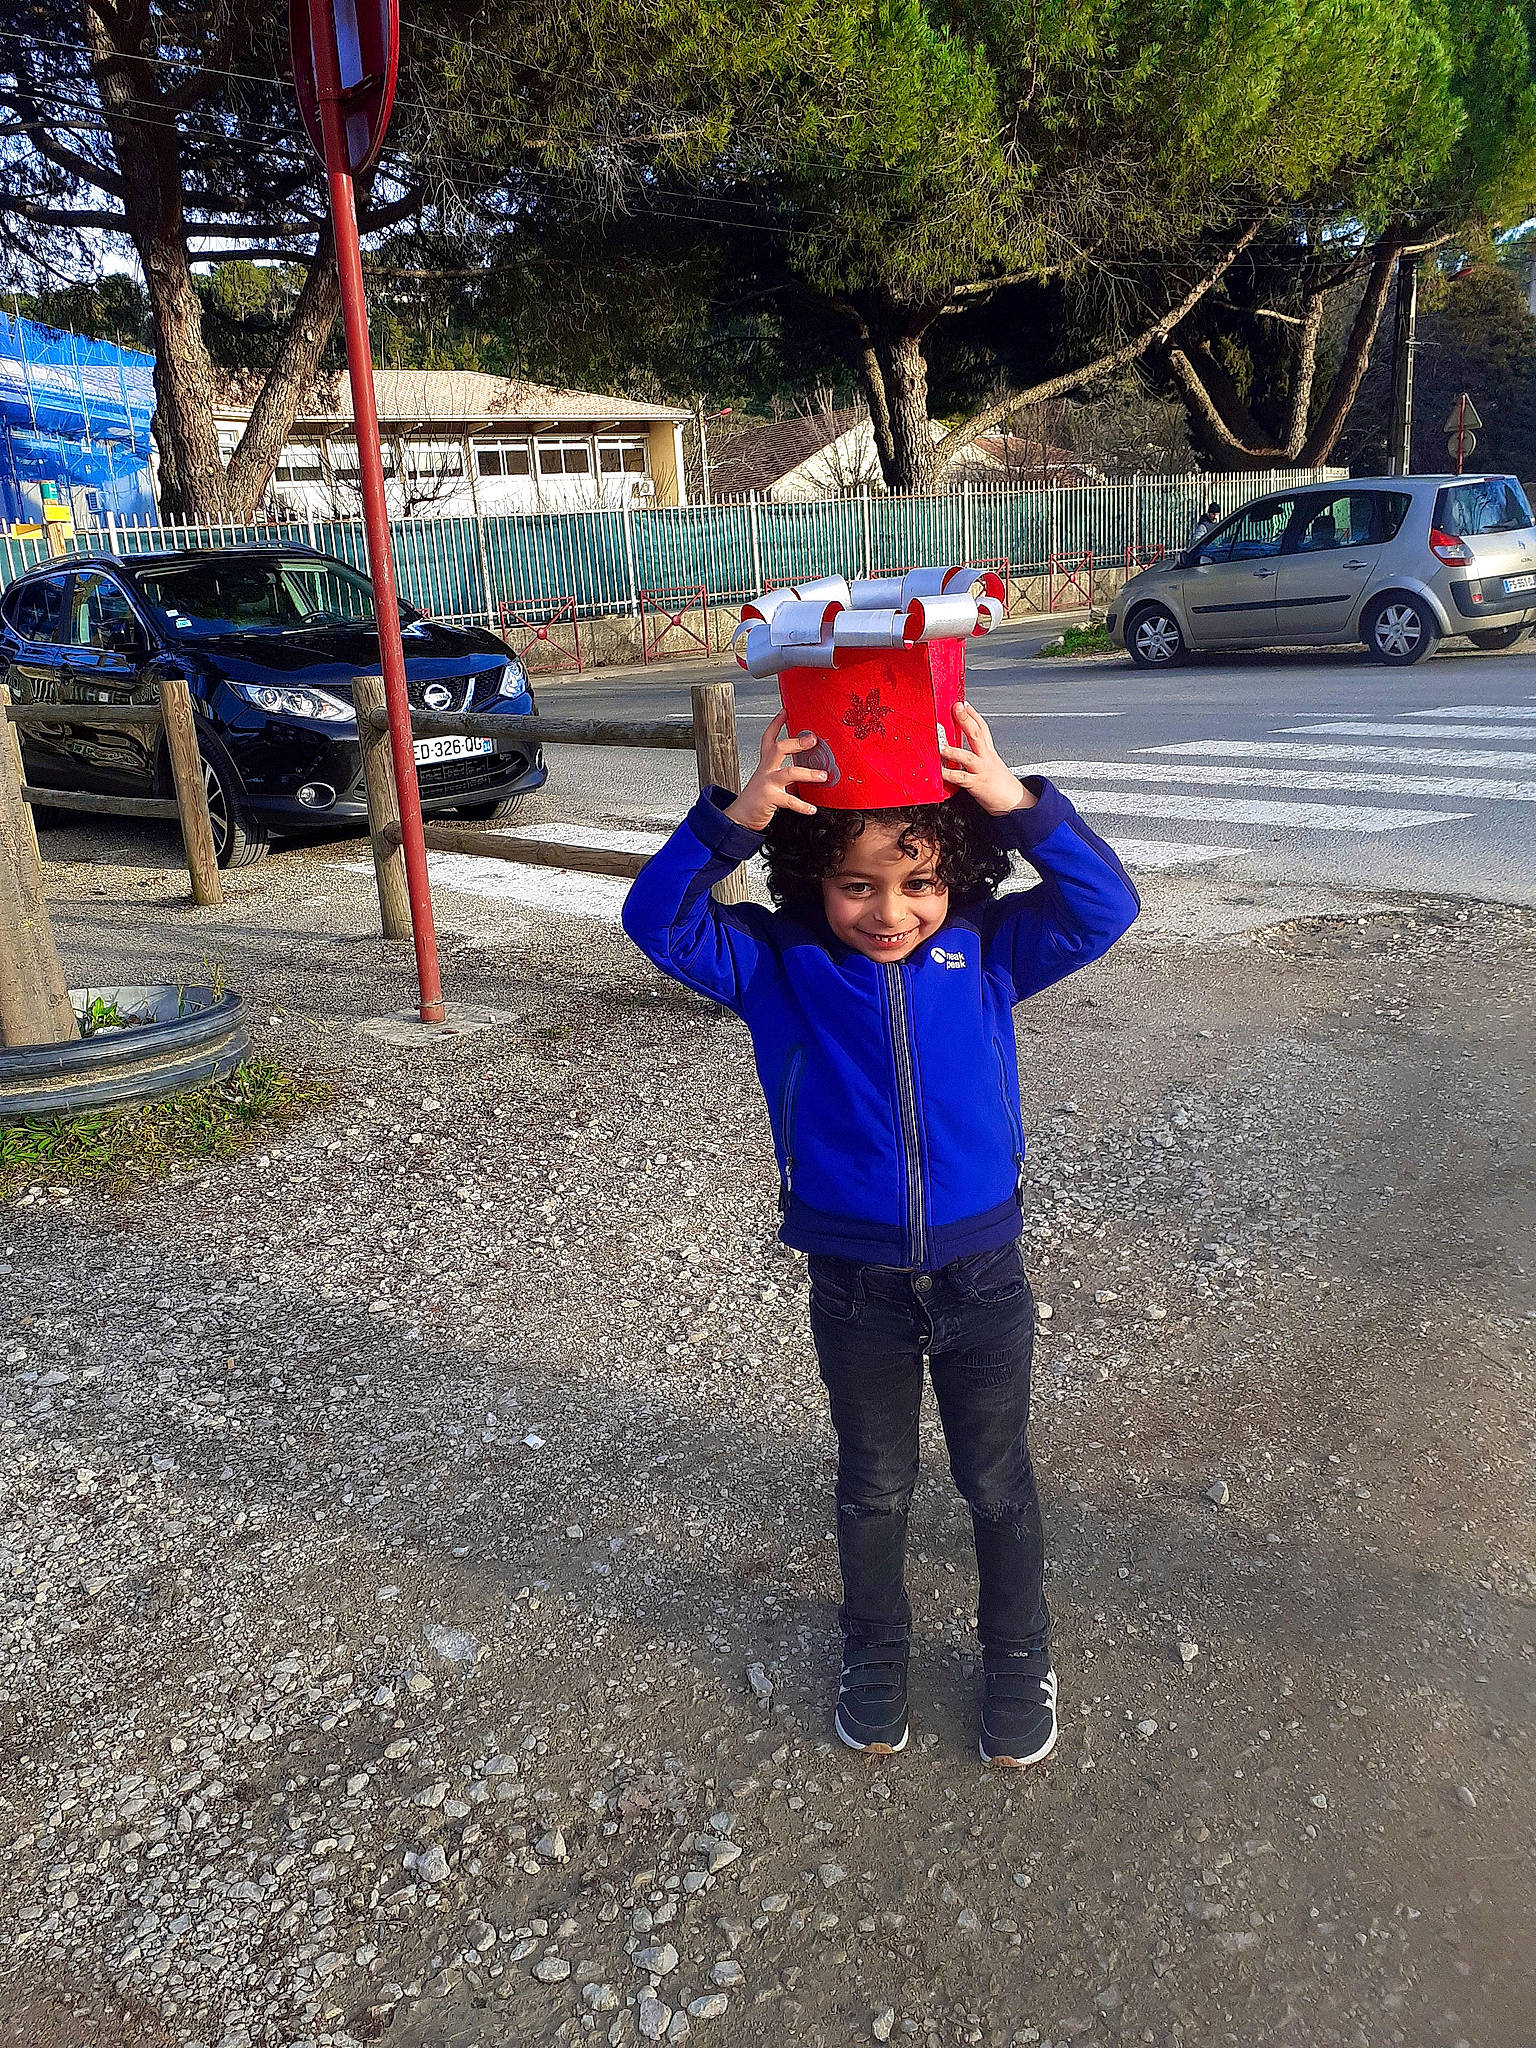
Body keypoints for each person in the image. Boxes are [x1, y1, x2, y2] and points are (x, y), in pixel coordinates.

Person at [621, 703, 1139, 1768]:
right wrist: (743, 814)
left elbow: (1104, 907)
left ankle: (1016, 1649)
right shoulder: (776, 965)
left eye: (918, 881)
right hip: (854, 1279)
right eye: (858, 883)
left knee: (996, 1479)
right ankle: (875, 1648)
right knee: (874, 1482)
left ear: (957, 876)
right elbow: (655, 922)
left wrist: (1015, 804)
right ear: (812, 872)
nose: (890, 910)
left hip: (983, 1271)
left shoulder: (989, 950)